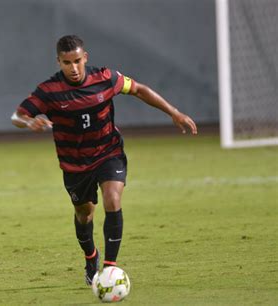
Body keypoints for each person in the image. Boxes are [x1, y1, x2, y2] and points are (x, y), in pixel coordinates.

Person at [11, 35, 197, 286]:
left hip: (108, 152)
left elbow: (139, 89)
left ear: (85, 57)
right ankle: (91, 257)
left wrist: (174, 112)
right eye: (67, 63)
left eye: (78, 61)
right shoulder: (49, 91)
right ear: (59, 62)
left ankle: (110, 269)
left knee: (113, 198)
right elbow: (18, 115)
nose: (74, 68)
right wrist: (28, 121)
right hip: (74, 164)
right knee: (84, 215)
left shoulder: (106, 78)